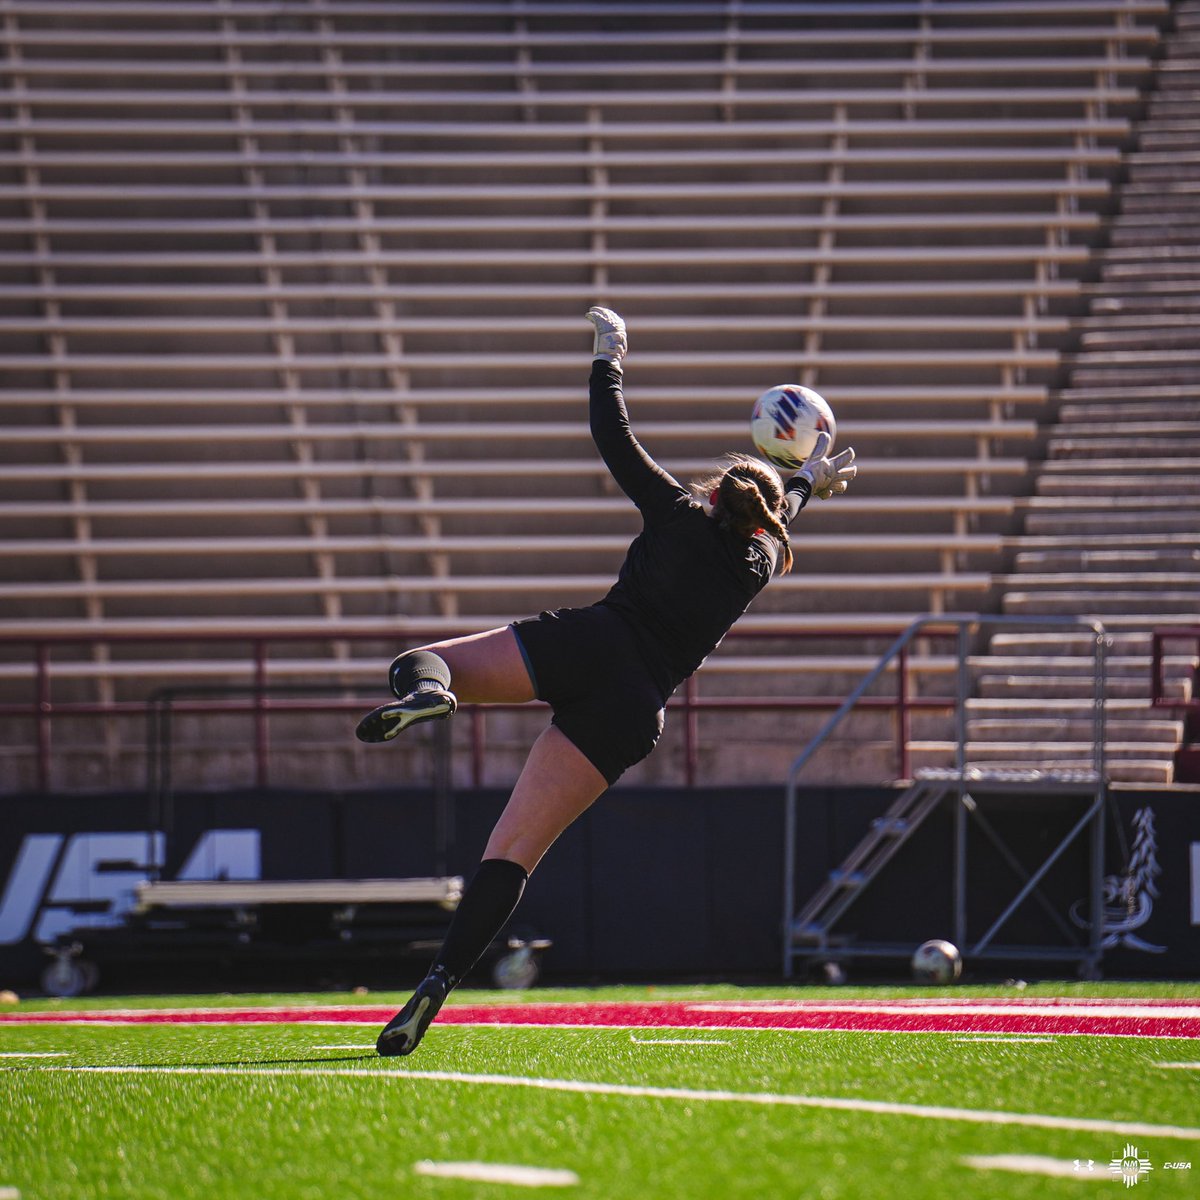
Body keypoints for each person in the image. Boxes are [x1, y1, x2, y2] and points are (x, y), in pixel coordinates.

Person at [356, 307, 857, 1056]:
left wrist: (609, 357)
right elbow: (773, 518)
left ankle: (432, 695)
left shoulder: (680, 511)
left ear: (716, 490)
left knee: (422, 662)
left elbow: (612, 436)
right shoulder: (756, 564)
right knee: (512, 851)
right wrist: (805, 480)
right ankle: (436, 984)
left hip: (589, 645)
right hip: (631, 709)